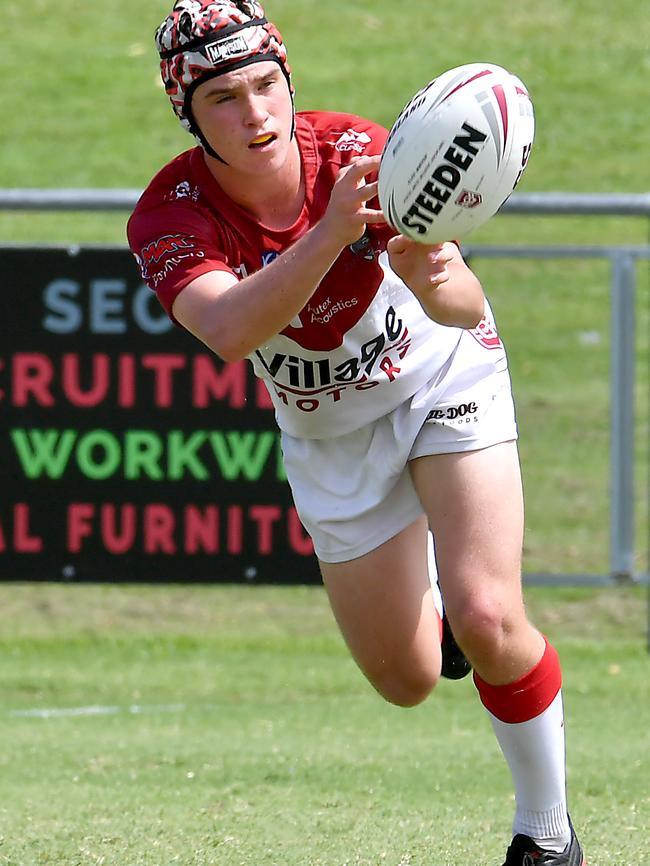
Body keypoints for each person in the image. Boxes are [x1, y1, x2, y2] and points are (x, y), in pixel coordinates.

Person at [127, 3, 585, 863]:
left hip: (442, 378)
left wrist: (434, 267)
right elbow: (229, 330)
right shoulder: (169, 214)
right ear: (186, 110)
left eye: (267, 85)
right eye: (224, 96)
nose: (256, 113)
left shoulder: (358, 153)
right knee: (406, 681)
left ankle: (548, 834)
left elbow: (465, 305)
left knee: (490, 615)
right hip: (329, 437)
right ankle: (442, 612)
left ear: (288, 79)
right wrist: (333, 230)